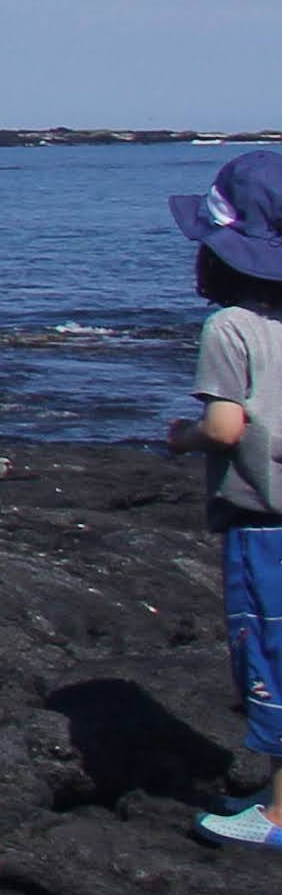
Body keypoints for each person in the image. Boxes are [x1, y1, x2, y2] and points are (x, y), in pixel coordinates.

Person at [163, 149, 282, 850]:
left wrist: (183, 439)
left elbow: (226, 426)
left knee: (270, 654)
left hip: (264, 523)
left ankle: (276, 816)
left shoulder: (230, 328)